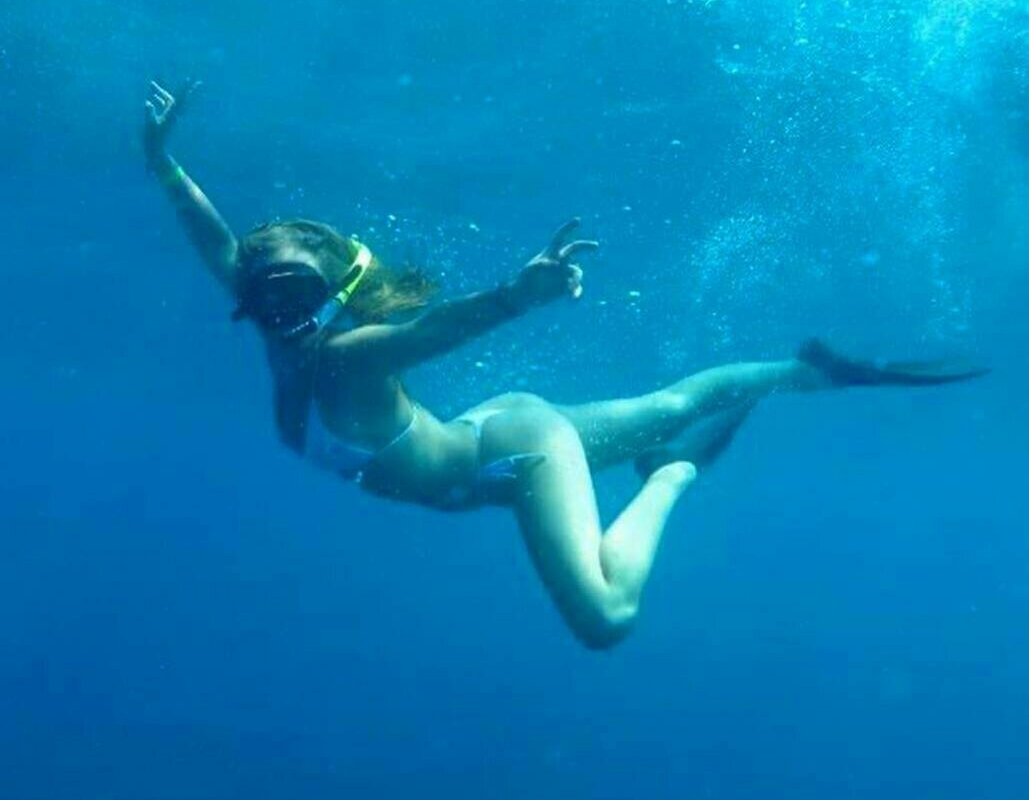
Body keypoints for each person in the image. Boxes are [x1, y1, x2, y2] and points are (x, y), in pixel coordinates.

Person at [144, 81, 985, 650]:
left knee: (606, 617)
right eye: (260, 291)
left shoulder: (348, 355)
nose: (276, 309)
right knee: (668, 402)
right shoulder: (277, 330)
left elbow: (439, 327)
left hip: (517, 454)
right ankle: (807, 371)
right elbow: (213, 240)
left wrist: (520, 294)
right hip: (496, 433)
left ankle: (672, 476)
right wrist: (161, 158)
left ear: (337, 295)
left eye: (294, 292)